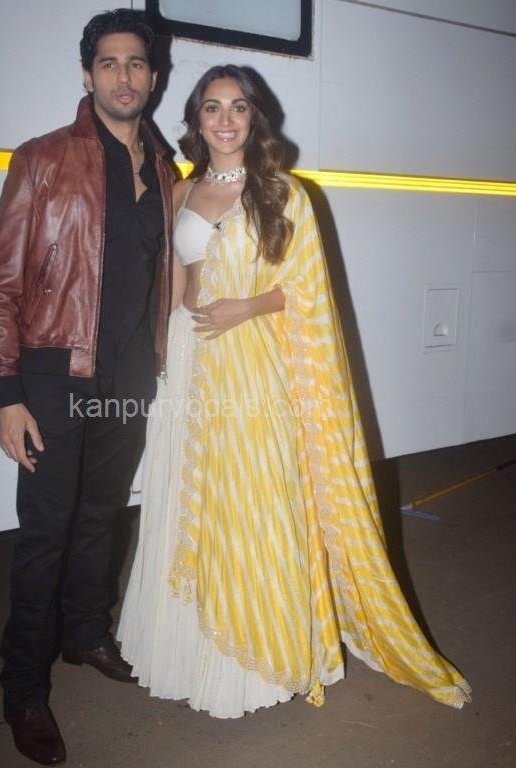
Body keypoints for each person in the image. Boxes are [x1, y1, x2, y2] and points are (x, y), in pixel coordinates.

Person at [117, 65, 471, 718]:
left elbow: (308, 289)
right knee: (190, 496)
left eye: (238, 107)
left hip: (255, 357)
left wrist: (246, 307)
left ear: (255, 118)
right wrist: (159, 354)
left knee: (256, 494)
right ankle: (191, 653)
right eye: (212, 107)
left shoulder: (284, 192)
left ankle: (261, 656)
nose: (225, 120)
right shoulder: (181, 191)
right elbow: (174, 278)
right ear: (195, 120)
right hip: (191, 359)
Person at [0, 10, 174, 764]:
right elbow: (0, 283)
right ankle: (22, 689)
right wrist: (6, 394)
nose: (124, 76)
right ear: (88, 73)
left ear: (153, 76)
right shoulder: (41, 159)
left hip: (128, 377)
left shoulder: (165, 170)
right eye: (109, 63)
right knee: (45, 534)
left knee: (102, 516)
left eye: (136, 63)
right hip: (54, 374)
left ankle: (85, 633)